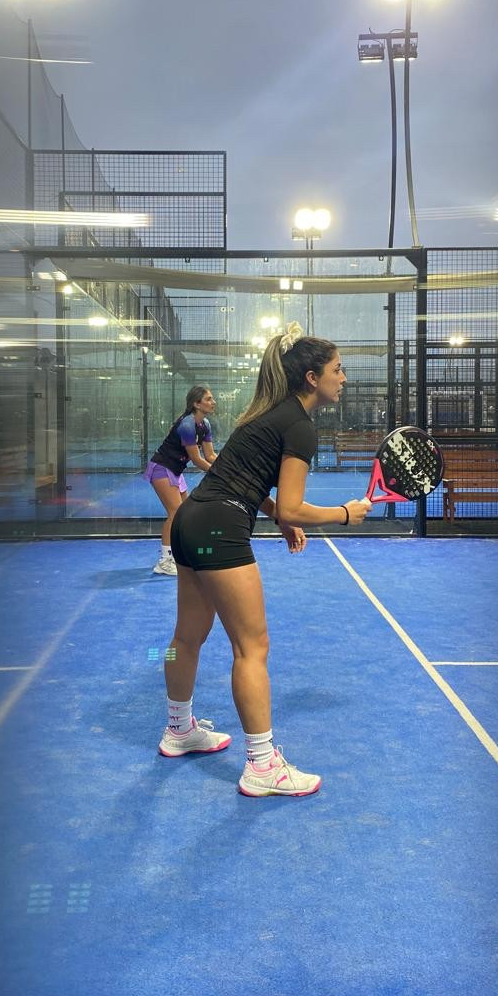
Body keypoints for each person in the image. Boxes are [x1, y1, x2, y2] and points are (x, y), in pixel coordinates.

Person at [156, 323, 372, 797]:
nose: (344, 378)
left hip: (192, 521)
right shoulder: (299, 427)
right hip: (219, 529)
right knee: (251, 649)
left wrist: (279, 516)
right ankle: (261, 765)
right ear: (312, 377)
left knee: (184, 639)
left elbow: (245, 481)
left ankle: (178, 728)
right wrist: (344, 513)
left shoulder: (266, 414)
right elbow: (293, 506)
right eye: (338, 370)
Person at [144, 386, 218, 576]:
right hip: (162, 468)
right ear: (196, 404)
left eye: (212, 398)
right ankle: (165, 561)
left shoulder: (205, 424)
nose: (213, 402)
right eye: (208, 399)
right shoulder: (187, 425)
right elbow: (196, 459)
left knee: (185, 514)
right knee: (175, 513)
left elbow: (210, 455)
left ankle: (180, 554)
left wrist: (228, 466)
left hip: (176, 471)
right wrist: (220, 474)